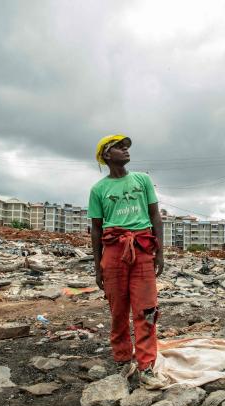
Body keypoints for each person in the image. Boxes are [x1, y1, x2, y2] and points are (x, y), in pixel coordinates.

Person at [88, 134, 165, 388]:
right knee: (118, 310)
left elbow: (156, 217)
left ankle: (147, 367)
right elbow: (96, 230)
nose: (125, 150)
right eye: (119, 147)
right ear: (107, 155)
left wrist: (160, 252)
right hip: (113, 252)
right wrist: (98, 266)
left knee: (147, 310)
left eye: (127, 147)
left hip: (142, 248)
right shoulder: (98, 189)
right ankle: (123, 359)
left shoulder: (142, 180)